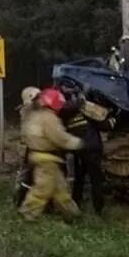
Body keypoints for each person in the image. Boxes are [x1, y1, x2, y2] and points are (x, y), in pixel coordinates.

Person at [19, 88, 83, 222]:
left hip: (38, 155)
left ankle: (71, 213)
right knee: (43, 188)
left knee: (60, 188)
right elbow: (60, 138)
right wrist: (78, 143)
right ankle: (28, 212)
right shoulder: (50, 118)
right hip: (47, 157)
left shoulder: (34, 115)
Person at [58, 80, 108, 215]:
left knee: (79, 180)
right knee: (95, 180)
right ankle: (99, 210)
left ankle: (77, 205)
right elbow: (103, 123)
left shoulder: (63, 112)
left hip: (79, 150)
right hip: (93, 148)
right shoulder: (85, 108)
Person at [13, 86, 40, 207]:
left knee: (31, 173)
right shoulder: (28, 110)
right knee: (25, 174)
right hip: (28, 146)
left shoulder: (30, 109)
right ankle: (20, 198)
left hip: (33, 145)